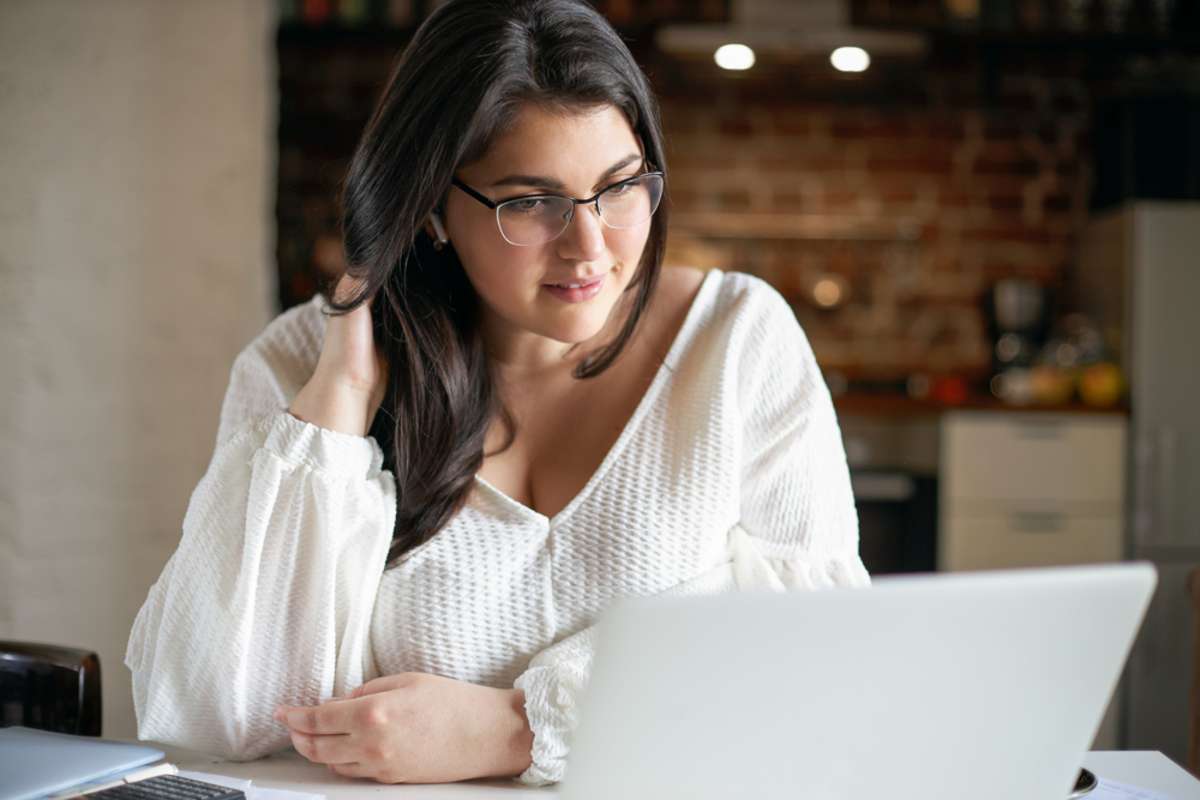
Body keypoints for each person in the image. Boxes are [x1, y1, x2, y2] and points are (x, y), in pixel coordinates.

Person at [125, 0, 870, 787]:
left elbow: (821, 651)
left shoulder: (738, 340)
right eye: (531, 202)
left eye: (619, 189)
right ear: (434, 209)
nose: (590, 248)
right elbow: (217, 713)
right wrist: (340, 401)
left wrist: (520, 730)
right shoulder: (301, 370)